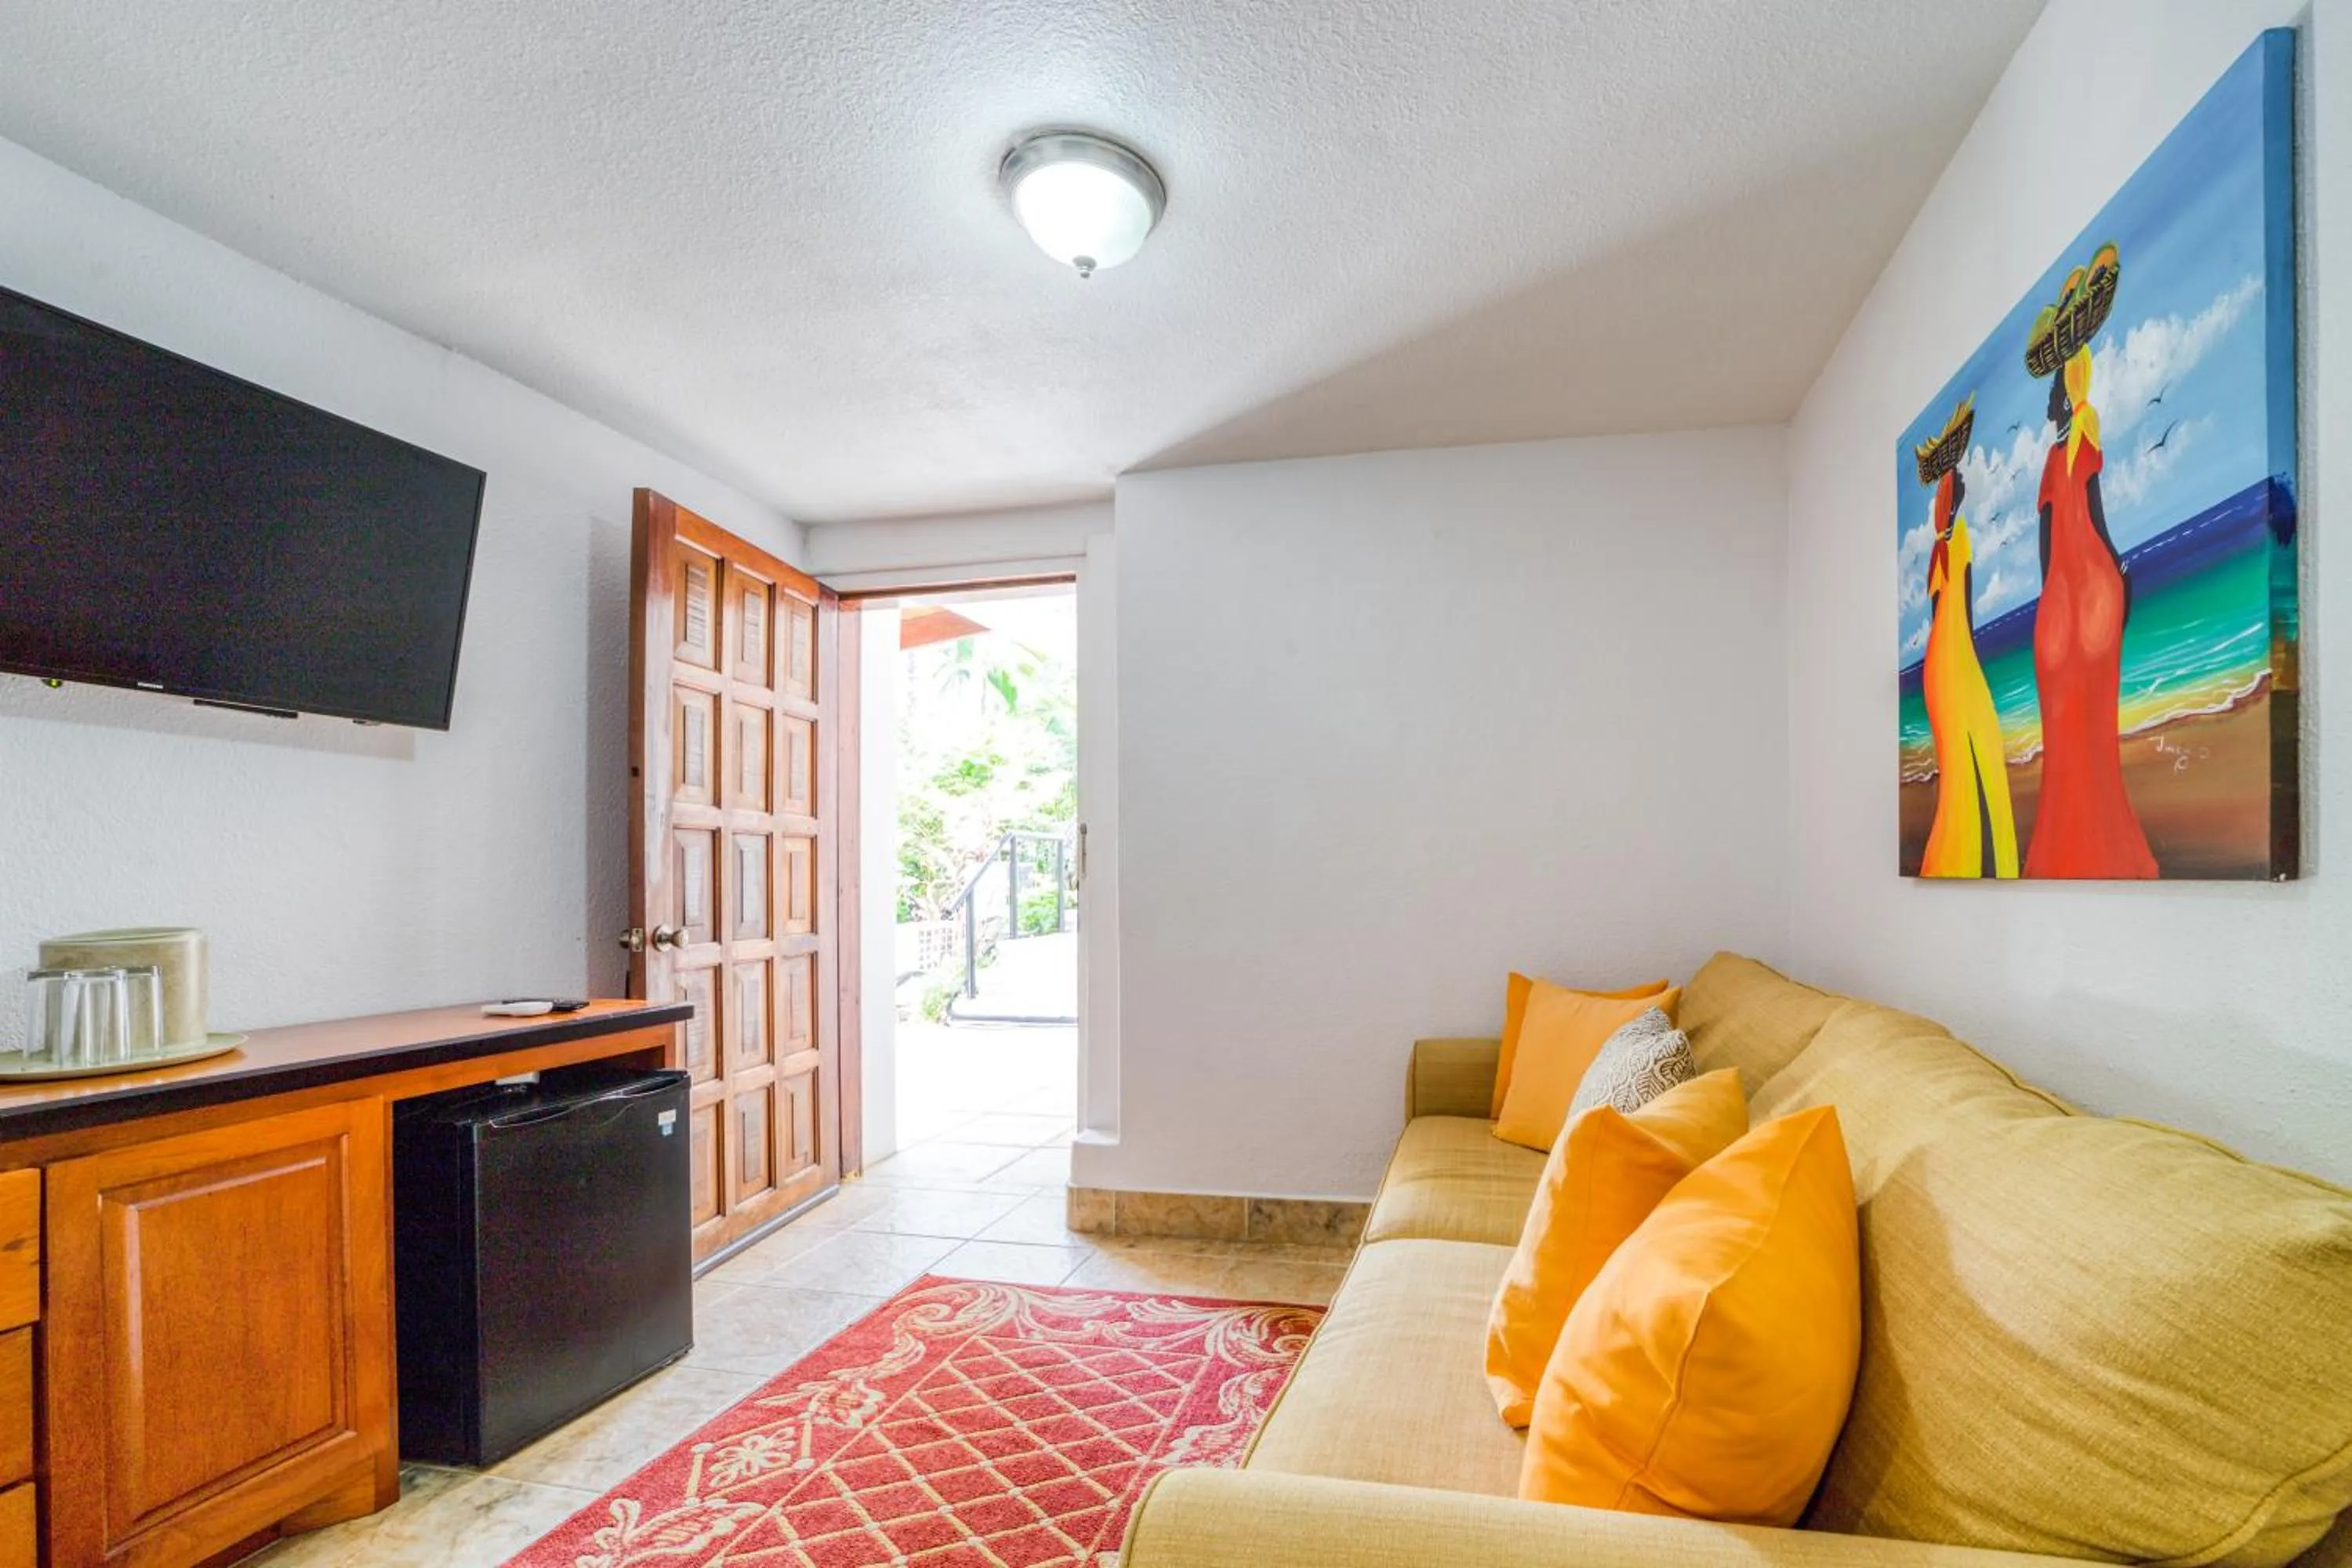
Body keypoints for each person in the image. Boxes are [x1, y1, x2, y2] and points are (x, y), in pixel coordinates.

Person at [2025, 344, 2158, 878]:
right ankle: (2098, 848)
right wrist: (2119, 572)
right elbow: (2094, 519)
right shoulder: (2077, 436)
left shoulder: (2060, 450)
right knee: (2090, 727)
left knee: (2069, 731)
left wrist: (2051, 602)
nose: (2049, 402)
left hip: (2063, 601)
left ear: (2066, 395)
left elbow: (2049, 541)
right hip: (2088, 592)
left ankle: (2070, 851)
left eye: (2054, 392)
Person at [1919, 466, 2020, 877]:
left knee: (1960, 757)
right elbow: (1965, 602)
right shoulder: (1956, 539)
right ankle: (1984, 857)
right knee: (1978, 744)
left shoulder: (1939, 549)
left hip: (1939, 662)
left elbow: (1937, 611)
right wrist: (1967, 654)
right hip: (1956, 655)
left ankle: (1964, 855)